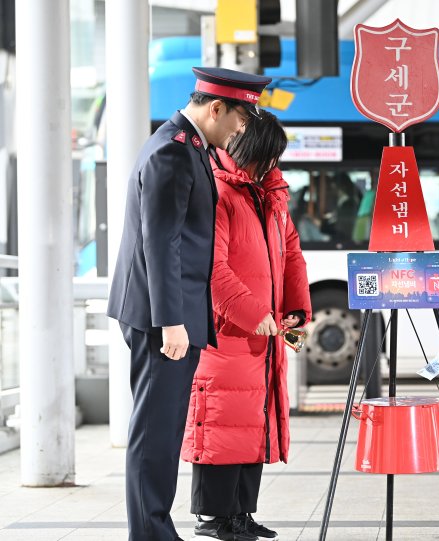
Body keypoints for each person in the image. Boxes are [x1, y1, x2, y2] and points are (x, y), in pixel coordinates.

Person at [106, 67, 271, 541]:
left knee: (162, 428)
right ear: (216, 108)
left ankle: (154, 529)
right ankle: (151, 533)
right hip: (163, 319)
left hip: (170, 315)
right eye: (241, 118)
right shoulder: (174, 152)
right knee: (155, 431)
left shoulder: (187, 146)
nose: (243, 130)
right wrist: (171, 322)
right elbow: (161, 243)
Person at [181, 111, 312, 541]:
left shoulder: (269, 196)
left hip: (263, 332)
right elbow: (210, 269)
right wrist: (253, 314)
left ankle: (241, 514)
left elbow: (291, 252)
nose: (272, 163)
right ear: (245, 149)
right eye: (267, 154)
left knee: (254, 423)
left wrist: (295, 308)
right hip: (228, 333)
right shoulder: (217, 193)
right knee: (223, 421)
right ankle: (216, 516)